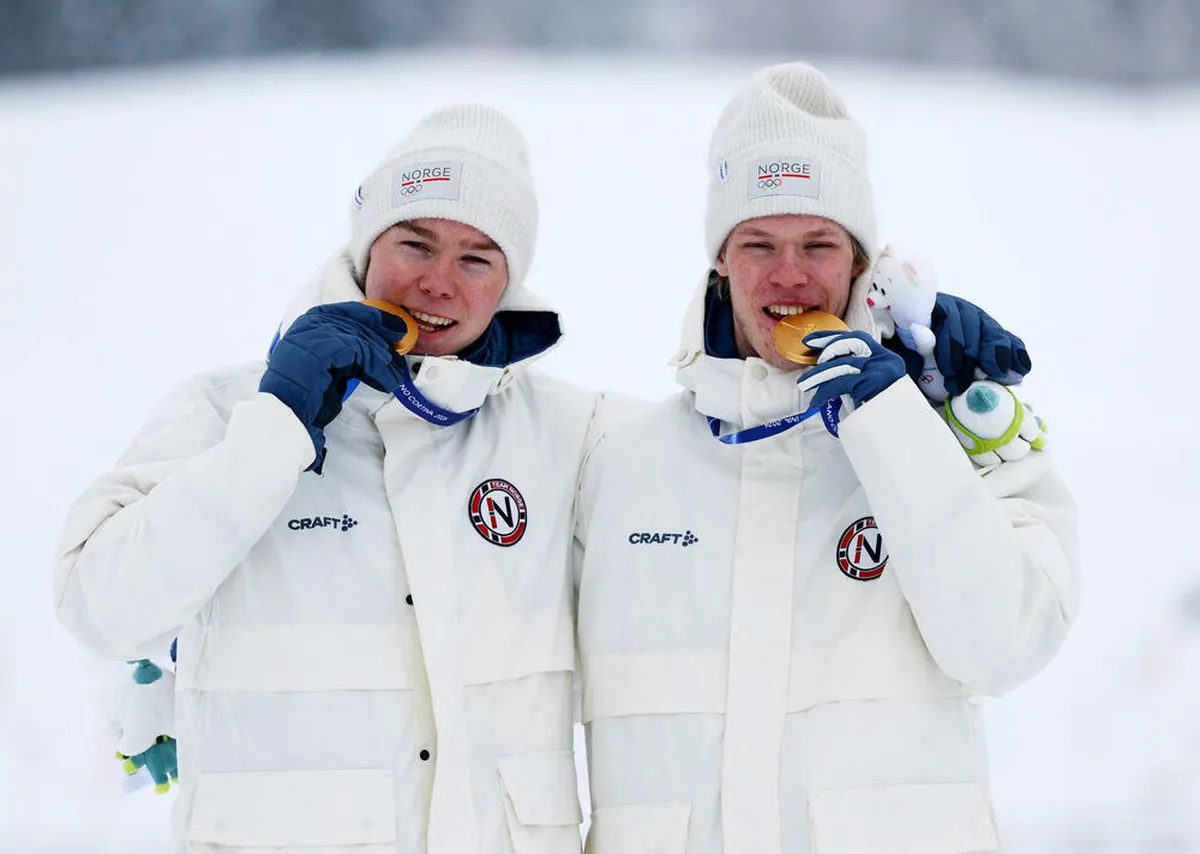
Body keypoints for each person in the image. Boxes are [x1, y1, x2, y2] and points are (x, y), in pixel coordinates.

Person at [54, 104, 597, 854]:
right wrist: (277, 425)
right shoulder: (223, 410)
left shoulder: (571, 435)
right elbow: (103, 611)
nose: (439, 282)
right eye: (415, 243)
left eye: (476, 258)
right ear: (365, 248)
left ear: (507, 283)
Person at [574, 62, 1080, 853]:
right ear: (719, 261)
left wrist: (896, 424)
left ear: (862, 262)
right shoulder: (617, 456)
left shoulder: (962, 426)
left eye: (818, 243)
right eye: (758, 243)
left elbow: (1005, 646)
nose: (789, 274)